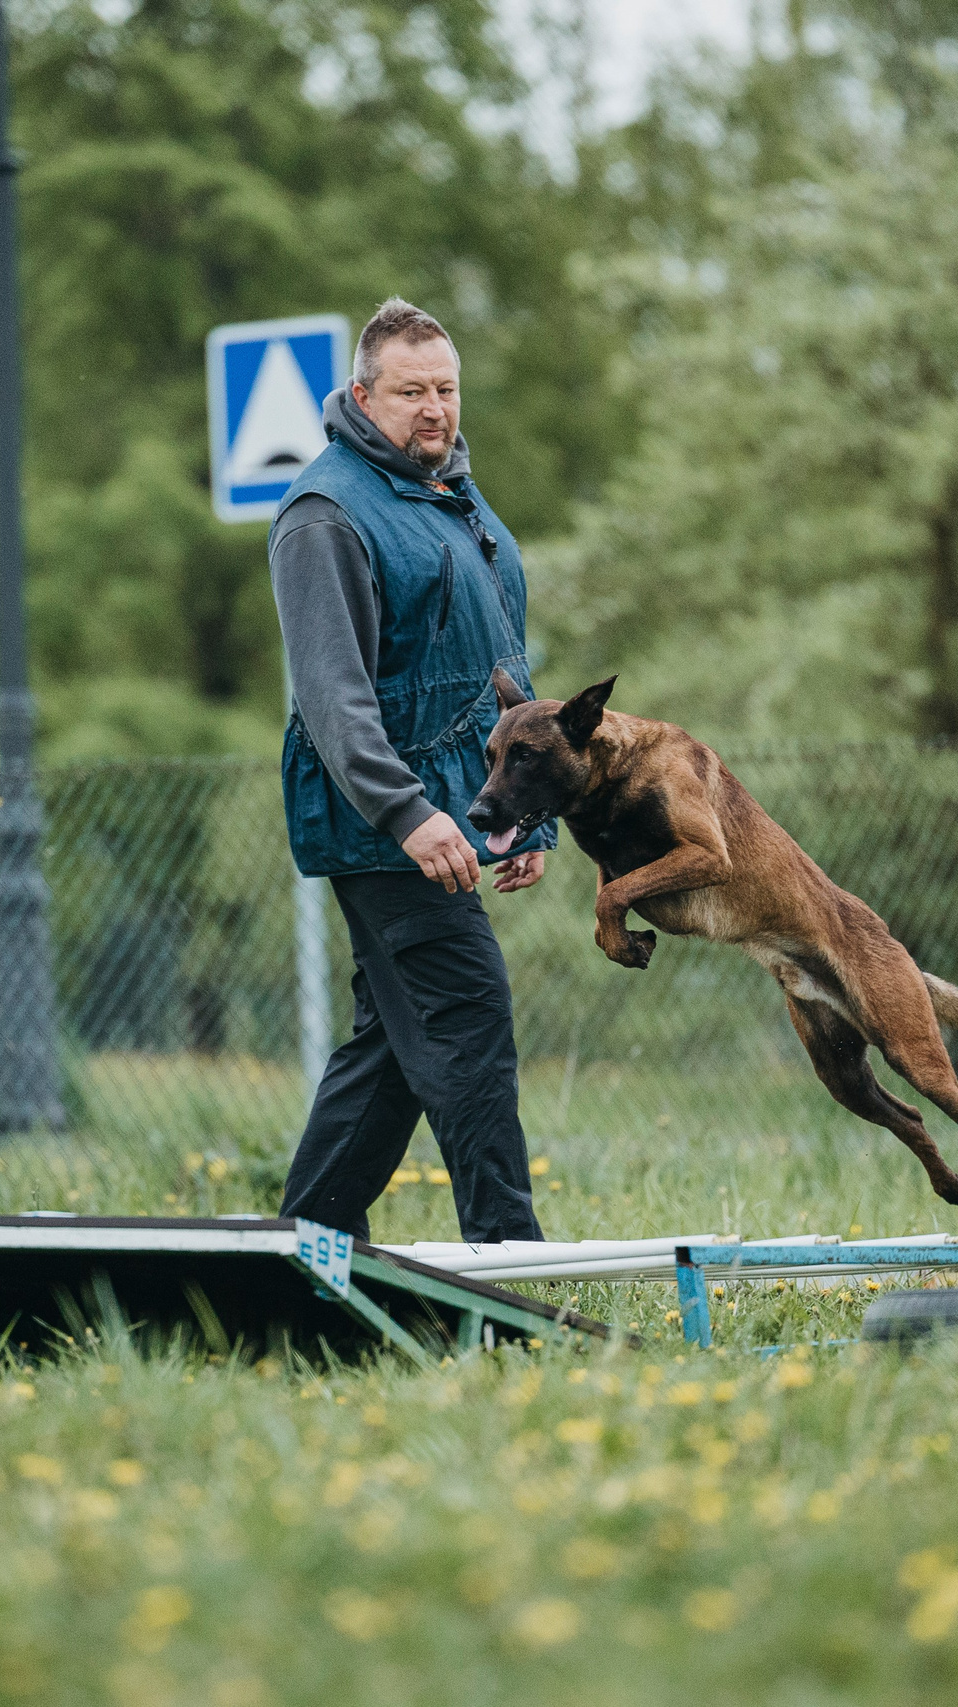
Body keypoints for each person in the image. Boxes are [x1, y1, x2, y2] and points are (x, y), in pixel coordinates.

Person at [269, 297, 553, 1245]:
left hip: (459, 810)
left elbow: (504, 670)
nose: (434, 408)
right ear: (362, 394)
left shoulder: (449, 492)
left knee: (391, 1052)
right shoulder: (327, 514)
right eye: (410, 392)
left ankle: (302, 1253)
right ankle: (511, 1265)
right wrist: (407, 815)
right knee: (468, 1005)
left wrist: (528, 817)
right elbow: (332, 698)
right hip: (382, 825)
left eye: (446, 388)